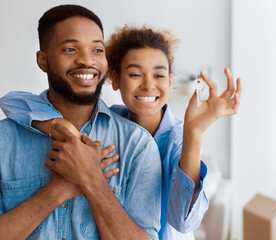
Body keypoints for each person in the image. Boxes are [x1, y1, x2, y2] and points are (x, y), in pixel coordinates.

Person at [0, 26, 242, 239]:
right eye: (135, 74)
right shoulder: (110, 122)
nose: (148, 85)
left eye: (158, 75)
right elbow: (12, 101)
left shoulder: (178, 139)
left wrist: (194, 132)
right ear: (115, 80)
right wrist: (64, 128)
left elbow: (184, 222)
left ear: (170, 81)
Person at [0, 5, 162, 240]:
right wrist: (57, 191)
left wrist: (92, 178)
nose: (87, 60)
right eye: (70, 49)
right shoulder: (4, 140)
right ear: (43, 61)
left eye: (97, 49)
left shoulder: (137, 144)